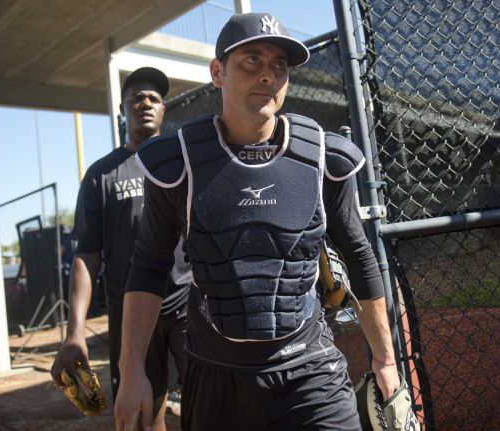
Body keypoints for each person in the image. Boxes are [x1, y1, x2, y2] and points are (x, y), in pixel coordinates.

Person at [115, 13, 400, 431]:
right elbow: (149, 266)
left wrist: (386, 359)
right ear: (217, 72)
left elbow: (359, 254)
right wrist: (132, 371)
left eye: (279, 66)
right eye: (252, 60)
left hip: (309, 370)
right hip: (215, 375)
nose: (268, 75)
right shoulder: (178, 163)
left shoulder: (321, 157)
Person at [51, 67, 191, 431]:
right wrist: (75, 332)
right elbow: (87, 255)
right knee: (142, 416)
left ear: (164, 109)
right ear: (123, 110)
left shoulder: (183, 163)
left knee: (212, 402)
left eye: (154, 98)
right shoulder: (102, 174)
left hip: (186, 303)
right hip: (128, 310)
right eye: (136, 98)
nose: (145, 103)